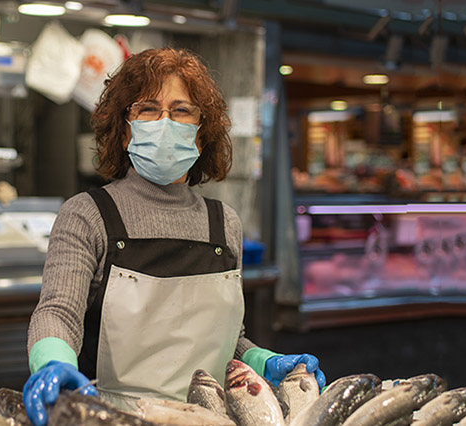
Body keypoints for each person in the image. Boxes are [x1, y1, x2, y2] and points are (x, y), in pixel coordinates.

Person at [22, 47, 326, 425]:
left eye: (181, 111)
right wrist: (52, 362)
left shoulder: (225, 223)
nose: (164, 122)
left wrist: (263, 360)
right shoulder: (87, 214)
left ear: (201, 135)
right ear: (124, 128)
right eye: (148, 109)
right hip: (115, 418)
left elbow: (227, 339)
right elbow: (57, 312)